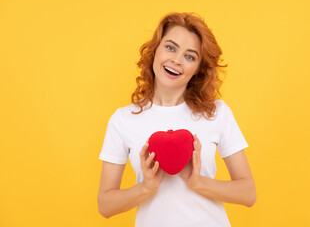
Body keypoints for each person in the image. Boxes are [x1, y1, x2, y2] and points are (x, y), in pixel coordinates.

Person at [97, 12, 256, 226]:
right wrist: (146, 187)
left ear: (198, 69)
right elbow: (105, 205)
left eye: (189, 56)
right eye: (170, 47)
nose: (176, 60)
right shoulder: (123, 120)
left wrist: (198, 182)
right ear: (155, 51)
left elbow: (247, 193)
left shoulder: (217, 112)